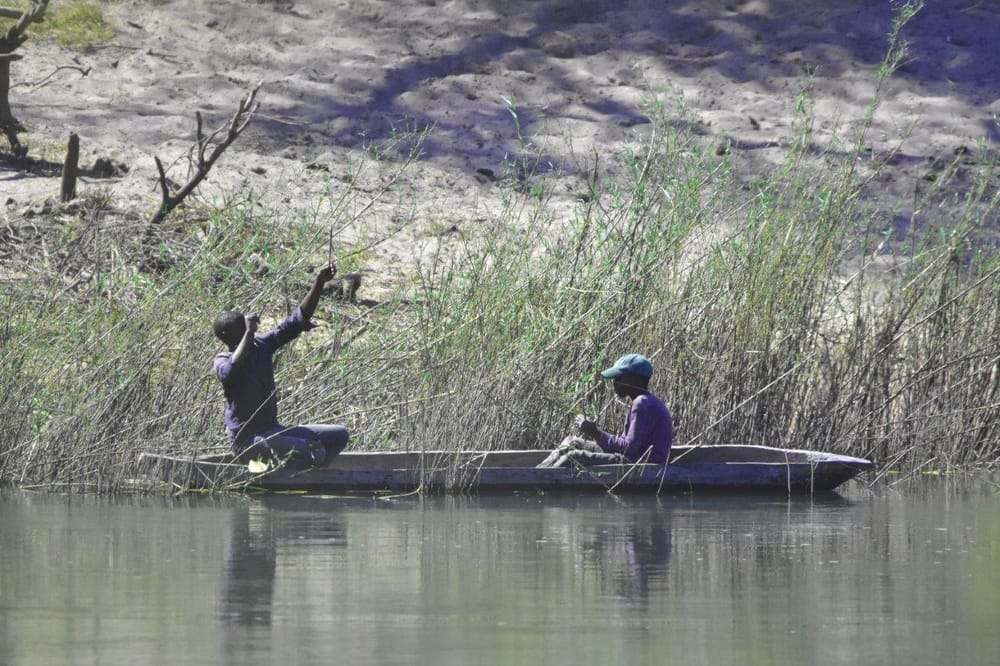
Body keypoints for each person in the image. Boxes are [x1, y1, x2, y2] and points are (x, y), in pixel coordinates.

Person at [212, 263, 349, 468]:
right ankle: (291, 474)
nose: (250, 331)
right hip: (247, 442)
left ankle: (308, 476)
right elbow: (230, 370)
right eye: (242, 329)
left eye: (247, 327)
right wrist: (249, 334)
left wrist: (319, 283)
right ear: (228, 337)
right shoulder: (222, 360)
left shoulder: (262, 345)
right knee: (312, 449)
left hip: (273, 431)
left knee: (339, 435)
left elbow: (296, 321)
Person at [537, 353, 672, 468]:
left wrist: (594, 432)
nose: (614, 382)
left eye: (618, 378)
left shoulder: (642, 403)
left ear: (634, 379)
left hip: (641, 465)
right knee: (572, 442)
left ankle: (539, 479)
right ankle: (539, 472)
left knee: (574, 456)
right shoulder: (643, 400)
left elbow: (629, 449)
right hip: (632, 459)